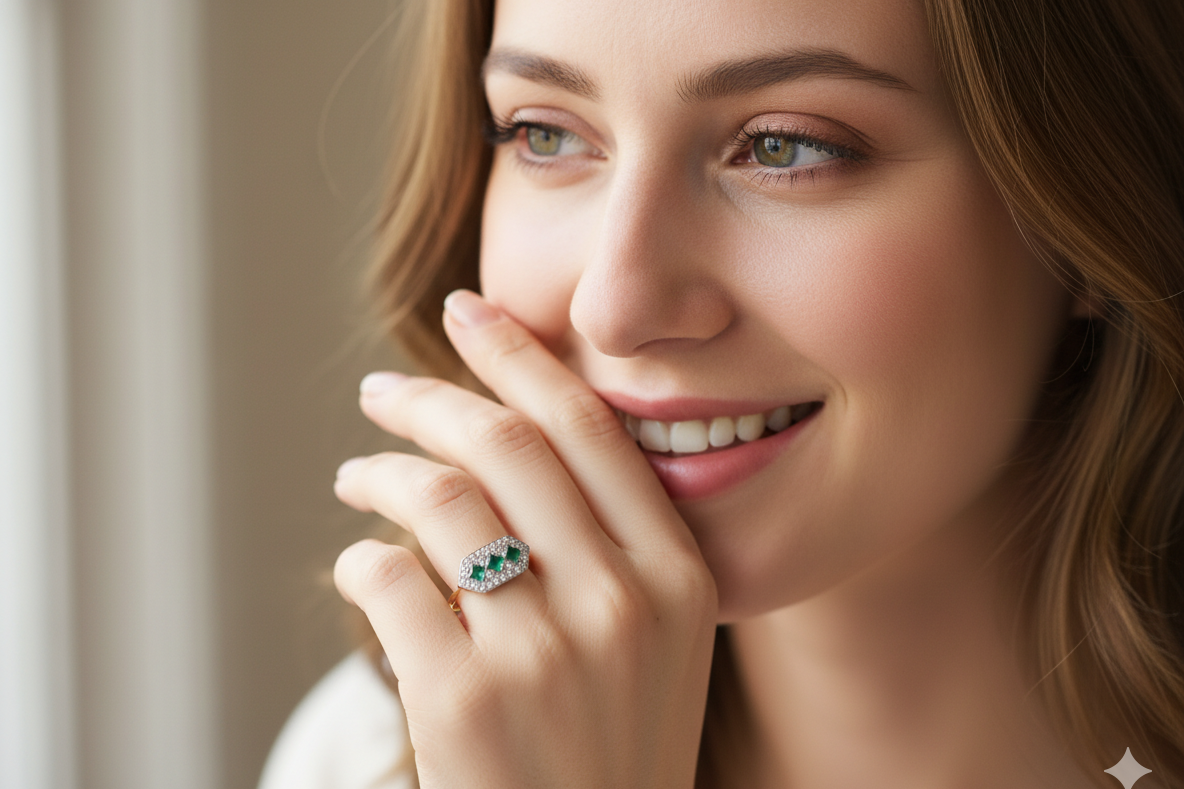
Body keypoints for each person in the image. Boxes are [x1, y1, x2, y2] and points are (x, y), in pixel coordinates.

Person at [259, 0, 1184, 786]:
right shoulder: (374, 752)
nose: (614, 308)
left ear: (1089, 206)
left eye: (784, 146)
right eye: (546, 134)